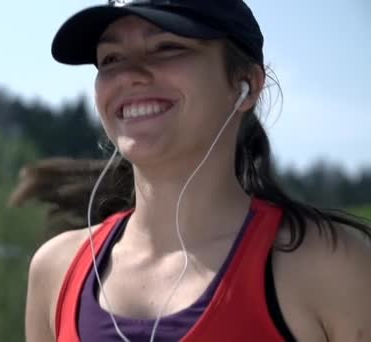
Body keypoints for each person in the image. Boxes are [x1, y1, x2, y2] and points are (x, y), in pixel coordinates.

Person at [21, 1, 371, 341]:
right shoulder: (57, 271)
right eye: (110, 59)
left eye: (166, 47)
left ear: (246, 83)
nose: (128, 74)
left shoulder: (331, 267)